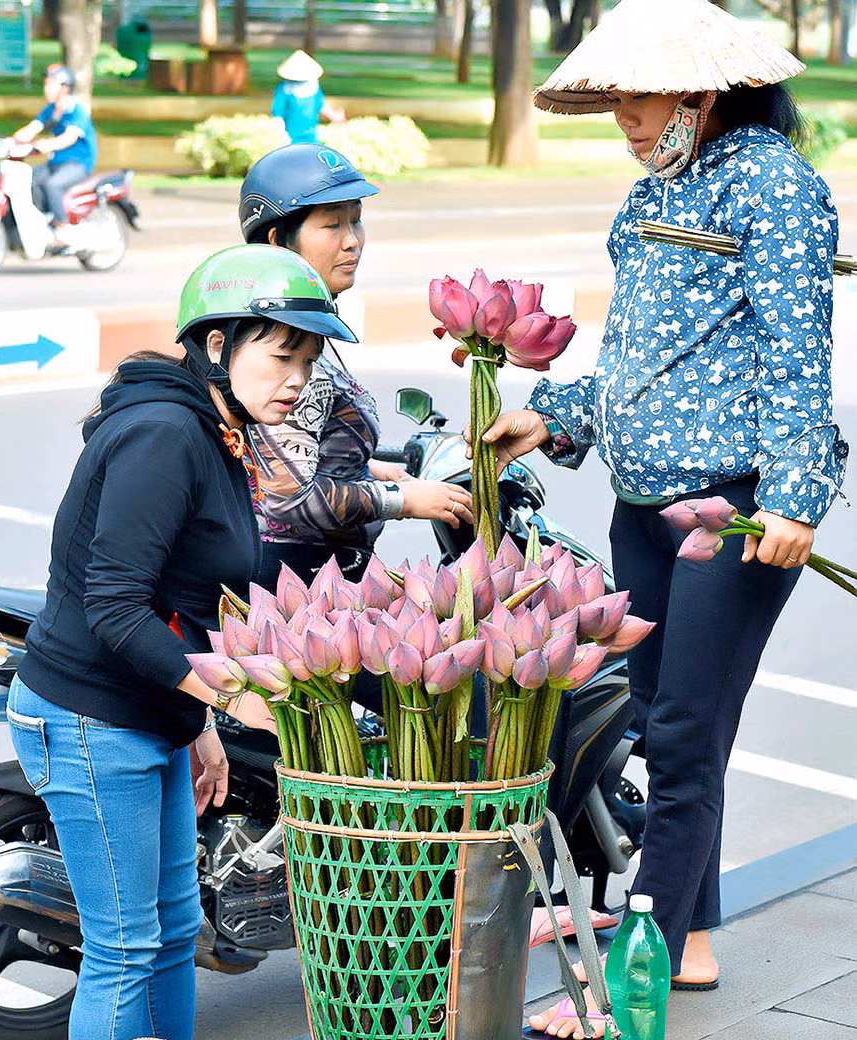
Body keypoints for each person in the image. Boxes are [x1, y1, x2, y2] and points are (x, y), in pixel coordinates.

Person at [474, 0, 848, 1035]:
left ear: (705, 89)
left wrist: (794, 498)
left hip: (730, 511)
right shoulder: (651, 194)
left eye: (637, 97)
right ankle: (690, 934)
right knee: (669, 724)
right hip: (643, 505)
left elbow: (796, 355)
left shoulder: (775, 182)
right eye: (614, 101)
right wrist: (544, 415)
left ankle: (617, 987)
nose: (625, 118)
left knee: (681, 734)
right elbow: (638, 358)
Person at [6, 244, 357, 1040]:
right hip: (92, 720)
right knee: (126, 949)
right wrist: (229, 698)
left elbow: (177, 603)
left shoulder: (217, 428)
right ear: (215, 347)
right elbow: (117, 607)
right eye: (281, 353)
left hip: (149, 716)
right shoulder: (165, 433)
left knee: (171, 936)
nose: (298, 377)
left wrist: (196, 727)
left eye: (309, 357)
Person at [239, 142, 473, 590]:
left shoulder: (308, 331)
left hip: (324, 571)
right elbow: (285, 500)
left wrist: (365, 470)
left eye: (356, 219)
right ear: (276, 240)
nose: (352, 240)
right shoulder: (273, 342)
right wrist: (399, 499)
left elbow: (302, 453)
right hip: (289, 585)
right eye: (332, 224)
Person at [11, 63, 97, 248]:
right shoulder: (50, 109)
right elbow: (33, 128)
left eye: (51, 84)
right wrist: (11, 142)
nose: (46, 89)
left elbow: (68, 138)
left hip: (78, 164)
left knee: (53, 185)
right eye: (45, 84)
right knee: (28, 179)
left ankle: (63, 228)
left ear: (65, 88)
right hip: (56, 162)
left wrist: (45, 145)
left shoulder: (77, 111)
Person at [271, 49, 344, 145]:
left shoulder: (312, 86)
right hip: (291, 136)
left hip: (312, 134)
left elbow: (320, 103)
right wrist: (280, 133)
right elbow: (278, 113)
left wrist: (334, 116)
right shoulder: (284, 89)